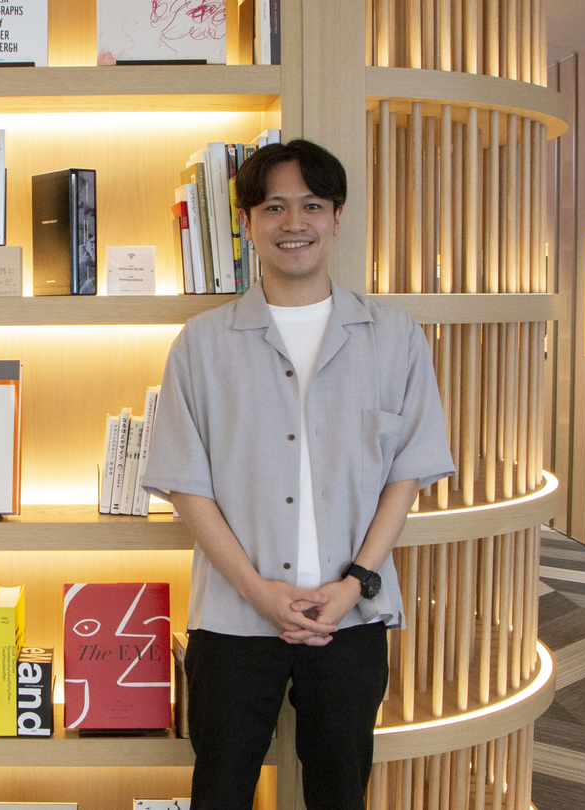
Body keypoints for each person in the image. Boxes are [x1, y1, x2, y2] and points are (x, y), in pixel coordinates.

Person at [140, 139, 455, 810]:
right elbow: (186, 486)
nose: (294, 223)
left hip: (352, 618)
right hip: (232, 620)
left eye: (311, 205)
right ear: (248, 223)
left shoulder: (395, 337)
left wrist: (355, 584)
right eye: (274, 207)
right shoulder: (201, 344)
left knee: (340, 794)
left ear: (337, 217)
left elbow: (406, 475)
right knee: (220, 792)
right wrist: (256, 591)